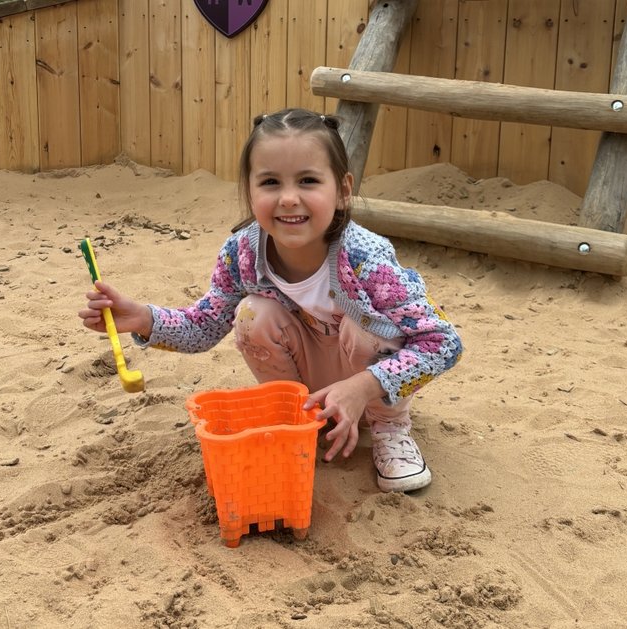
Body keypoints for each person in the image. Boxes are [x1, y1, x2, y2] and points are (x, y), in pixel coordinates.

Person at [78, 108, 463, 493]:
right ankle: (299, 417)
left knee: (366, 326)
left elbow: (443, 343)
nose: (289, 198)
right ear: (249, 190)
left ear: (343, 191)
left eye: (309, 181)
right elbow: (205, 325)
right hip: (309, 375)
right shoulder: (243, 253)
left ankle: (388, 429)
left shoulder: (366, 258)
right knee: (252, 314)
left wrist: (364, 387)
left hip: (371, 377)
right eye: (271, 182)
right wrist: (143, 318)